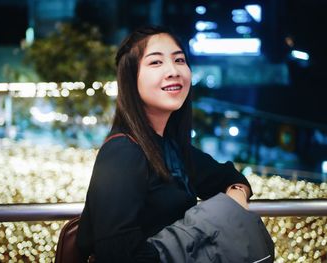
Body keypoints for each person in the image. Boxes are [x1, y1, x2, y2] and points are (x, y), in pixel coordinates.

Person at [76, 25, 273, 263]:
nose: (173, 71)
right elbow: (117, 257)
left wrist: (236, 197)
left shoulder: (172, 149)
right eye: (156, 63)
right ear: (130, 79)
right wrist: (215, 217)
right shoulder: (122, 153)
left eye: (179, 60)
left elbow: (231, 177)